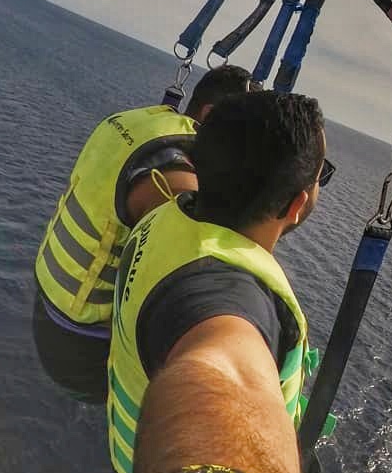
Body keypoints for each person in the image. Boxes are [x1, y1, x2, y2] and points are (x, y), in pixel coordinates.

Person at [107, 91, 333, 473]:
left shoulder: (171, 216)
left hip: (134, 470)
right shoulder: (228, 298)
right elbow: (219, 372)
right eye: (322, 175)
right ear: (297, 203)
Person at [32, 65, 259, 402]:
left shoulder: (132, 122)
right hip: (84, 349)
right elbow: (206, 253)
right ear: (211, 115)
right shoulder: (173, 174)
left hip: (47, 308)